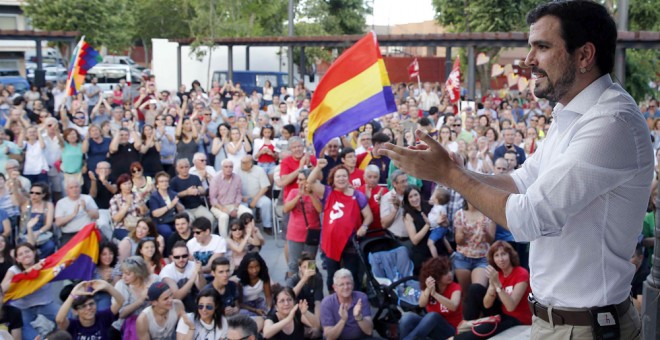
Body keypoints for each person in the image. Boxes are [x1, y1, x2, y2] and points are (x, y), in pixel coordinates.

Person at [380, 1, 649, 338]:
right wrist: (449, 167)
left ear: (584, 56)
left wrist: (451, 177)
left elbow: (531, 218)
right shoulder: (570, 115)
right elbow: (521, 181)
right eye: (529, 47)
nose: (528, 60)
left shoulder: (610, 122)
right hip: (560, 323)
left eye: (542, 47)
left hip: (587, 328)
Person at [307, 160, 373, 291]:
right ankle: (333, 302)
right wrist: (318, 167)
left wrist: (364, 227)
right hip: (331, 243)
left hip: (350, 243)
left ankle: (353, 303)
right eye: (338, 176)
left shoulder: (357, 195)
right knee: (332, 275)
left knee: (351, 275)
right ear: (333, 178)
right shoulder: (327, 192)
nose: (341, 179)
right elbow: (310, 182)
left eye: (344, 176)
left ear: (349, 178)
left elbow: (369, 216)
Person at [455, 241, 532, 339]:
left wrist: (498, 285)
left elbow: (511, 307)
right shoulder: (498, 274)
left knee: (482, 330)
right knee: (475, 289)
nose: (500, 259)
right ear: (493, 259)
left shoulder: (521, 273)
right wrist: (492, 286)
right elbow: (487, 304)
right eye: (496, 255)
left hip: (518, 318)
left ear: (510, 255)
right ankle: (468, 323)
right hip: (503, 313)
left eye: (503, 254)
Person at [1, 243, 61, 340]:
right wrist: (26, 273)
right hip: (23, 308)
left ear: (34, 252)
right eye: (20, 254)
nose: (25, 255)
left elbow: (66, 258)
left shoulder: (46, 263)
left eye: (27, 251)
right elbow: (2, 289)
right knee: (30, 337)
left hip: (46, 305)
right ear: (17, 259)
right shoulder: (14, 270)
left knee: (66, 317)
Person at [399, 257, 461, 340]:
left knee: (433, 316)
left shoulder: (455, 287)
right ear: (436, 276)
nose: (450, 274)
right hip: (431, 326)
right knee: (407, 318)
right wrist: (428, 289)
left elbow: (453, 306)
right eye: (445, 273)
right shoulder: (428, 286)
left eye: (450, 270)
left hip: (451, 331)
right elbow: (421, 304)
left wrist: (435, 294)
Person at [283, 169, 322, 276]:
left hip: (311, 234)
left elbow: (319, 209)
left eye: (300, 179)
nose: (297, 182)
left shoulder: (317, 193)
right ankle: (292, 290)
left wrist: (310, 194)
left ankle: (309, 288)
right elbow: (286, 209)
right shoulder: (293, 192)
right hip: (295, 234)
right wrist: (298, 196)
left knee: (310, 264)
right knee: (293, 265)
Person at [55, 280, 125, 339]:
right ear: (75, 311)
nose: (89, 308)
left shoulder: (103, 317)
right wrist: (73, 295)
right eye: (83, 306)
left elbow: (120, 302)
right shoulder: (72, 325)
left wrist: (107, 286)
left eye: (91, 304)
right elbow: (59, 320)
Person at [111, 256, 159, 338]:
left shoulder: (153, 279)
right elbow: (121, 314)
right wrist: (140, 300)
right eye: (123, 273)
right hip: (124, 329)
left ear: (138, 273)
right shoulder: (121, 285)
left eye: (128, 274)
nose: (123, 277)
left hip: (149, 325)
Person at [320, 269, 374, 339]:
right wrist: (343, 320)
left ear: (353, 284)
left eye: (348, 283)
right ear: (335, 287)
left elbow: (369, 331)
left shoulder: (361, 297)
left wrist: (358, 317)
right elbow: (329, 337)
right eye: (341, 284)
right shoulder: (326, 303)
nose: (346, 287)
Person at [160, 241, 204, 313]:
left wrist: (199, 273)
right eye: (177, 257)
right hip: (174, 307)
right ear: (172, 258)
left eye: (184, 256)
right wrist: (193, 277)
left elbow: (202, 289)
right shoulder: (167, 271)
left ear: (188, 255)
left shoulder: (194, 265)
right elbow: (177, 297)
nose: (181, 259)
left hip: (194, 300)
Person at [286, 253, 324, 337]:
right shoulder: (292, 280)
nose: (308, 270)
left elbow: (318, 302)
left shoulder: (317, 278)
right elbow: (289, 297)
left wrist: (316, 322)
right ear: (299, 268)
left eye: (310, 266)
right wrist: (304, 279)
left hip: (311, 310)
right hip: (296, 312)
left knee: (317, 332)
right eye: (304, 267)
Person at [55, 178, 99, 245]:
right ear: (66, 190)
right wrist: (73, 214)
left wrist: (86, 209)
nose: (74, 190)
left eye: (76, 187)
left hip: (87, 232)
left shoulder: (87, 198)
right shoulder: (61, 203)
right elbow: (58, 223)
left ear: (80, 188)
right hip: (70, 234)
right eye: (71, 188)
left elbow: (97, 215)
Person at [236, 155, 273, 234]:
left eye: (244, 163)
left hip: (257, 196)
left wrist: (255, 199)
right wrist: (241, 197)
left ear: (250, 163)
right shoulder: (237, 170)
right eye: (241, 162)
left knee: (267, 202)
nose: (241, 164)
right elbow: (233, 187)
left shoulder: (259, 170)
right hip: (242, 197)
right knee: (242, 208)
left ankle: (267, 226)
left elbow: (265, 187)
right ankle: (244, 229)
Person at [19, 183, 56, 258]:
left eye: (37, 193)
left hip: (42, 233)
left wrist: (38, 232)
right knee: (25, 247)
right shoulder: (26, 203)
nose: (33, 195)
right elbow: (16, 198)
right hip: (25, 235)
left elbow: (48, 224)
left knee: (50, 246)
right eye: (31, 192)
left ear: (43, 194)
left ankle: (39, 261)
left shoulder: (48, 205)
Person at [109, 174, 148, 241]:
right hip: (122, 227)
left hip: (138, 226)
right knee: (133, 239)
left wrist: (140, 202)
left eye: (129, 183)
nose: (128, 186)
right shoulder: (115, 199)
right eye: (124, 184)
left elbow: (144, 213)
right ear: (120, 186)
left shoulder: (137, 195)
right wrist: (127, 205)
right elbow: (116, 219)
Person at [148, 171, 185, 239]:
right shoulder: (154, 196)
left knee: (183, 227)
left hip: (174, 220)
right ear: (157, 184)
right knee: (167, 231)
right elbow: (155, 213)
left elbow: (182, 210)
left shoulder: (173, 194)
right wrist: (170, 205)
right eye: (161, 181)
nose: (164, 183)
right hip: (161, 222)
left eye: (166, 181)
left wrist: (177, 203)